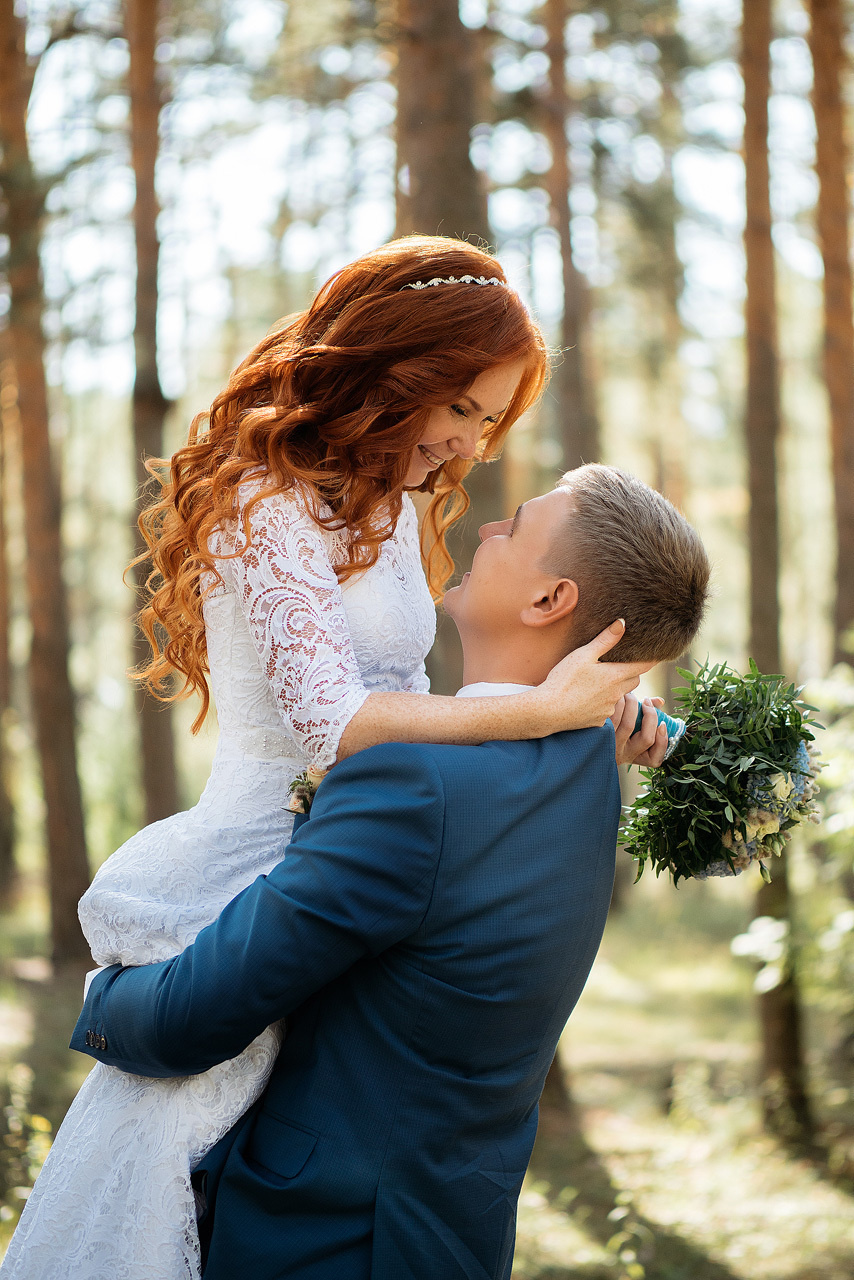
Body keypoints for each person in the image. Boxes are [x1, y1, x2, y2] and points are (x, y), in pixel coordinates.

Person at [0, 243, 656, 1280]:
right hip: (247, 859)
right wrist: (532, 709)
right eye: (463, 408)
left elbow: (409, 715)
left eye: (487, 421)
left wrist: (582, 718)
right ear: (397, 368)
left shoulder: (391, 499)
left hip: (352, 853)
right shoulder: (267, 498)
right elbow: (335, 721)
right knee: (171, 1164)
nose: (469, 446)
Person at [69, 465, 710, 1280]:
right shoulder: (592, 763)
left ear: (551, 601)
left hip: (324, 1243)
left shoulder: (416, 787)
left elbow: (187, 1020)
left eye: (516, 522)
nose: (486, 528)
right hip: (457, 1236)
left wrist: (103, 995)